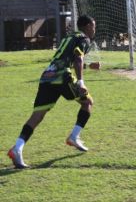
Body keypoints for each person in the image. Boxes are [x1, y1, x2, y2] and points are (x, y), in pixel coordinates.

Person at [7, 15, 96, 169]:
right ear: (87, 26)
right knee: (87, 103)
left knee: (37, 115)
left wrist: (88, 66)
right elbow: (77, 59)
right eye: (93, 26)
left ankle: (17, 148)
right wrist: (81, 82)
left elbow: (66, 58)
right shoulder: (84, 39)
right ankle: (74, 136)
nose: (94, 29)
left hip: (48, 76)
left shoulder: (70, 36)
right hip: (63, 76)